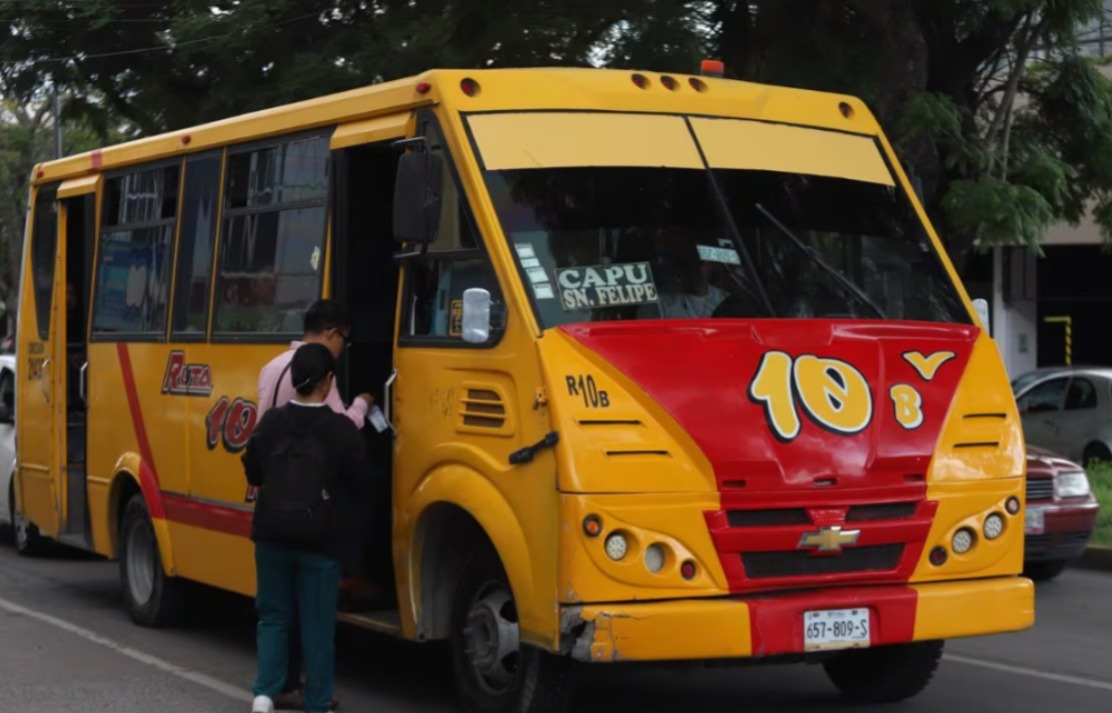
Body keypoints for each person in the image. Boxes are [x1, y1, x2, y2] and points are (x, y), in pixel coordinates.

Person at [254, 299, 372, 711]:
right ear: (324, 382)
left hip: (270, 521)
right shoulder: (338, 427)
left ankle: (266, 694)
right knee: (316, 623)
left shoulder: (270, 379)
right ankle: (317, 702)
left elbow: (252, 461)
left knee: (273, 614)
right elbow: (357, 476)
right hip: (318, 532)